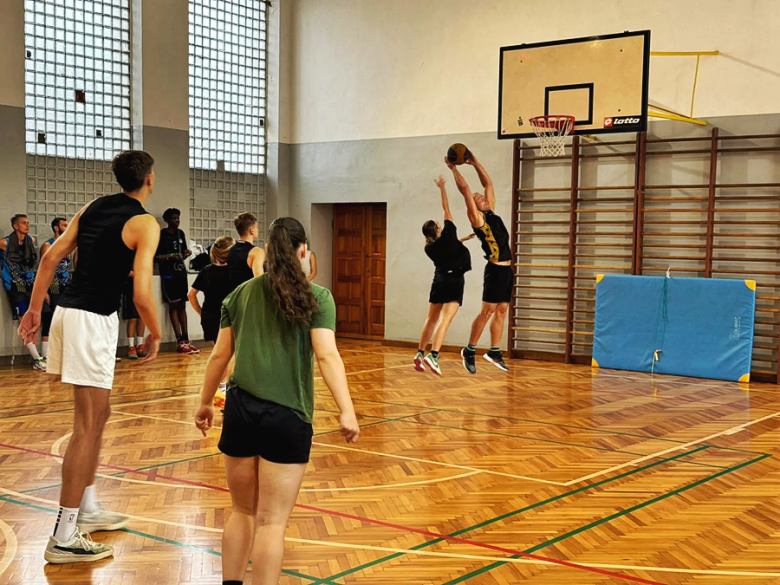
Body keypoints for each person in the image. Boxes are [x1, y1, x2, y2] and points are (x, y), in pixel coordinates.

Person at [194, 217, 360, 585]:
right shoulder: (318, 297)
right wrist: (347, 409)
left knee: (241, 512)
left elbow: (219, 356)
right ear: (303, 251)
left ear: (267, 251)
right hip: (287, 417)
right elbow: (328, 356)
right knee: (271, 522)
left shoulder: (240, 295)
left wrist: (205, 402)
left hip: (239, 410)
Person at [18, 150, 163, 564]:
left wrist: (33, 310)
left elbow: (50, 258)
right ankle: (64, 535)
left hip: (67, 312)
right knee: (87, 424)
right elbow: (140, 293)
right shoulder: (145, 223)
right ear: (149, 179)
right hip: (91, 319)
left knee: (99, 417)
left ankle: (87, 506)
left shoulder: (93, 207)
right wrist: (154, 331)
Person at [445, 151, 511, 374]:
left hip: (507, 270)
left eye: (481, 197)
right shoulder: (478, 219)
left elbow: (488, 183)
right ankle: (470, 350)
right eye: (477, 198)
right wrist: (454, 169)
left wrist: (475, 163)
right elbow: (465, 190)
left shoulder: (491, 212)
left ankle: (494, 351)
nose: (481, 197)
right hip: (494, 270)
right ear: (472, 206)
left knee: (502, 310)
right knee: (487, 311)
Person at [414, 176, 474, 376]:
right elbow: (446, 207)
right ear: (439, 229)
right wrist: (442, 187)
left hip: (438, 280)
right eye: (439, 224)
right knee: (445, 320)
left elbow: (450, 247)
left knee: (431, 318)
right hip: (454, 281)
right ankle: (434, 354)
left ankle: (420, 353)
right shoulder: (448, 233)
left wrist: (463, 238)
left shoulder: (429, 248)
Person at [188, 235, 234, 392]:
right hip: (226, 318)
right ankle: (220, 387)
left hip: (209, 318)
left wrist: (201, 313)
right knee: (225, 355)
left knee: (220, 353)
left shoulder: (206, 270)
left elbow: (191, 295)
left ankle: (218, 386)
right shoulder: (233, 273)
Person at [0, 214, 45, 371]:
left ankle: (41, 356)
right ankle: (37, 358)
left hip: (30, 286)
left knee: (36, 319)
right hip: (14, 287)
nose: (28, 225)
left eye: (28, 223)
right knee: (24, 320)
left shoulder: (31, 241)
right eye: (24, 223)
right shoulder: (4, 243)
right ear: (15, 226)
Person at [155, 208, 198, 355]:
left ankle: (187, 340)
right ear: (167, 220)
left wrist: (186, 254)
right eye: (173, 218)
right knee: (173, 305)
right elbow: (155, 257)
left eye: (178, 218)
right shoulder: (161, 235)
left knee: (182, 306)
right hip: (168, 275)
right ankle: (179, 341)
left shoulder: (181, 234)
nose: (177, 221)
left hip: (180, 274)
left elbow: (181, 255)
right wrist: (169, 258)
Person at [40, 217, 73, 362]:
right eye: (64, 225)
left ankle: (61, 353)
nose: (68, 227)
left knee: (64, 320)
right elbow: (44, 270)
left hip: (66, 286)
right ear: (56, 228)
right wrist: (44, 291)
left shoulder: (68, 246)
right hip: (53, 286)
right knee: (50, 319)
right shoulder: (48, 245)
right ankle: (45, 355)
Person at [227, 212, 265, 290]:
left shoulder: (231, 250)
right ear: (252, 230)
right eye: (257, 227)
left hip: (233, 298)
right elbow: (259, 282)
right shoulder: (256, 252)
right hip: (249, 298)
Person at [122, 270, 147, 359]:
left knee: (141, 318)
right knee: (132, 318)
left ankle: (140, 345)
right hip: (130, 287)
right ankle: (131, 346)